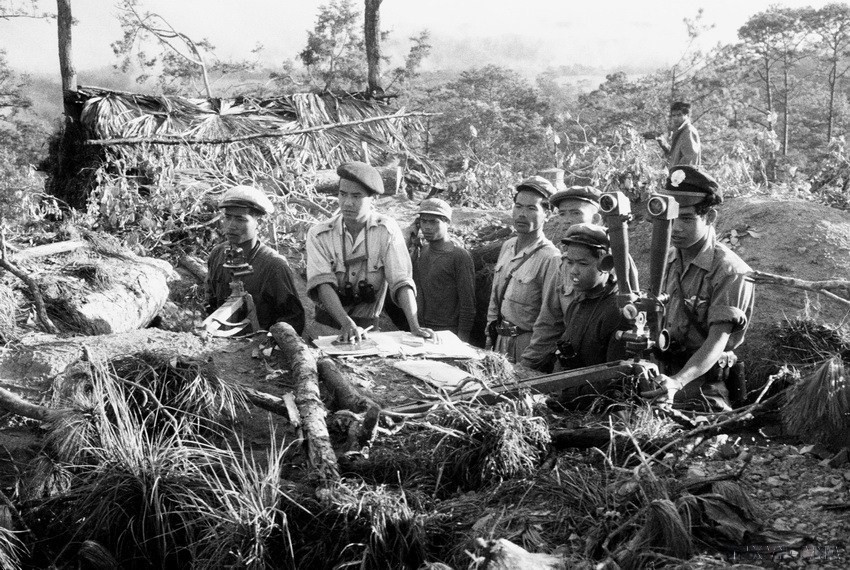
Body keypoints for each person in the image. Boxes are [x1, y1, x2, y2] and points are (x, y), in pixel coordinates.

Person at [641, 166, 754, 411]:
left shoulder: (729, 271)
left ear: (710, 217)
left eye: (687, 218)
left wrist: (677, 383)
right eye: (671, 219)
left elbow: (716, 343)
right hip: (663, 378)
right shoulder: (667, 259)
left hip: (703, 388)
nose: (676, 228)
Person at [306, 161, 434, 343]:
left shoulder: (386, 230)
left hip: (367, 334)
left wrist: (414, 325)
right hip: (325, 331)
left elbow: (401, 280)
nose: (348, 202)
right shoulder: (319, 234)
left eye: (357, 196)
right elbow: (323, 284)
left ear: (372, 198)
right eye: (343, 194)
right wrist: (346, 323)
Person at [521, 186, 602, 371]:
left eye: (575, 213)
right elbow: (549, 323)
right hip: (568, 364)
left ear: (596, 219)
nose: (567, 221)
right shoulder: (564, 262)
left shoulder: (615, 261)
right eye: (563, 214)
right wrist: (526, 366)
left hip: (603, 365)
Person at [206, 184, 305, 335]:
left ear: (260, 222)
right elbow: (211, 302)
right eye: (227, 218)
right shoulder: (217, 255)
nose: (231, 226)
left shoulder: (274, 265)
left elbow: (293, 319)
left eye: (240, 219)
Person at [485, 175, 561, 363]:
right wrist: (489, 334)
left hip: (526, 345)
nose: (522, 214)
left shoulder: (550, 257)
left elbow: (549, 321)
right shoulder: (508, 246)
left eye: (531, 208)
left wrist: (530, 360)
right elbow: (495, 298)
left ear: (548, 214)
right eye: (518, 206)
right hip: (499, 340)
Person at [555, 223, 626, 371]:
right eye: (570, 262)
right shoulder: (577, 304)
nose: (573, 271)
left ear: (605, 264)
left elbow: (615, 376)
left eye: (582, 263)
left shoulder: (618, 311)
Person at [411, 198, 476, 342]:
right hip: (423, 330)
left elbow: (468, 304)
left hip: (448, 333)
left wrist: (462, 341)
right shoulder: (422, 252)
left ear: (447, 223)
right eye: (423, 221)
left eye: (434, 222)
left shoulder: (459, 256)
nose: (427, 227)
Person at [655, 101, 701, 170]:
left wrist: (677, 176)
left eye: (679, 115)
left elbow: (690, 159)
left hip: (684, 178)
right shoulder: (680, 131)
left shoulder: (688, 131)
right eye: (674, 115)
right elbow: (676, 156)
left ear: (687, 115)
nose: (675, 118)